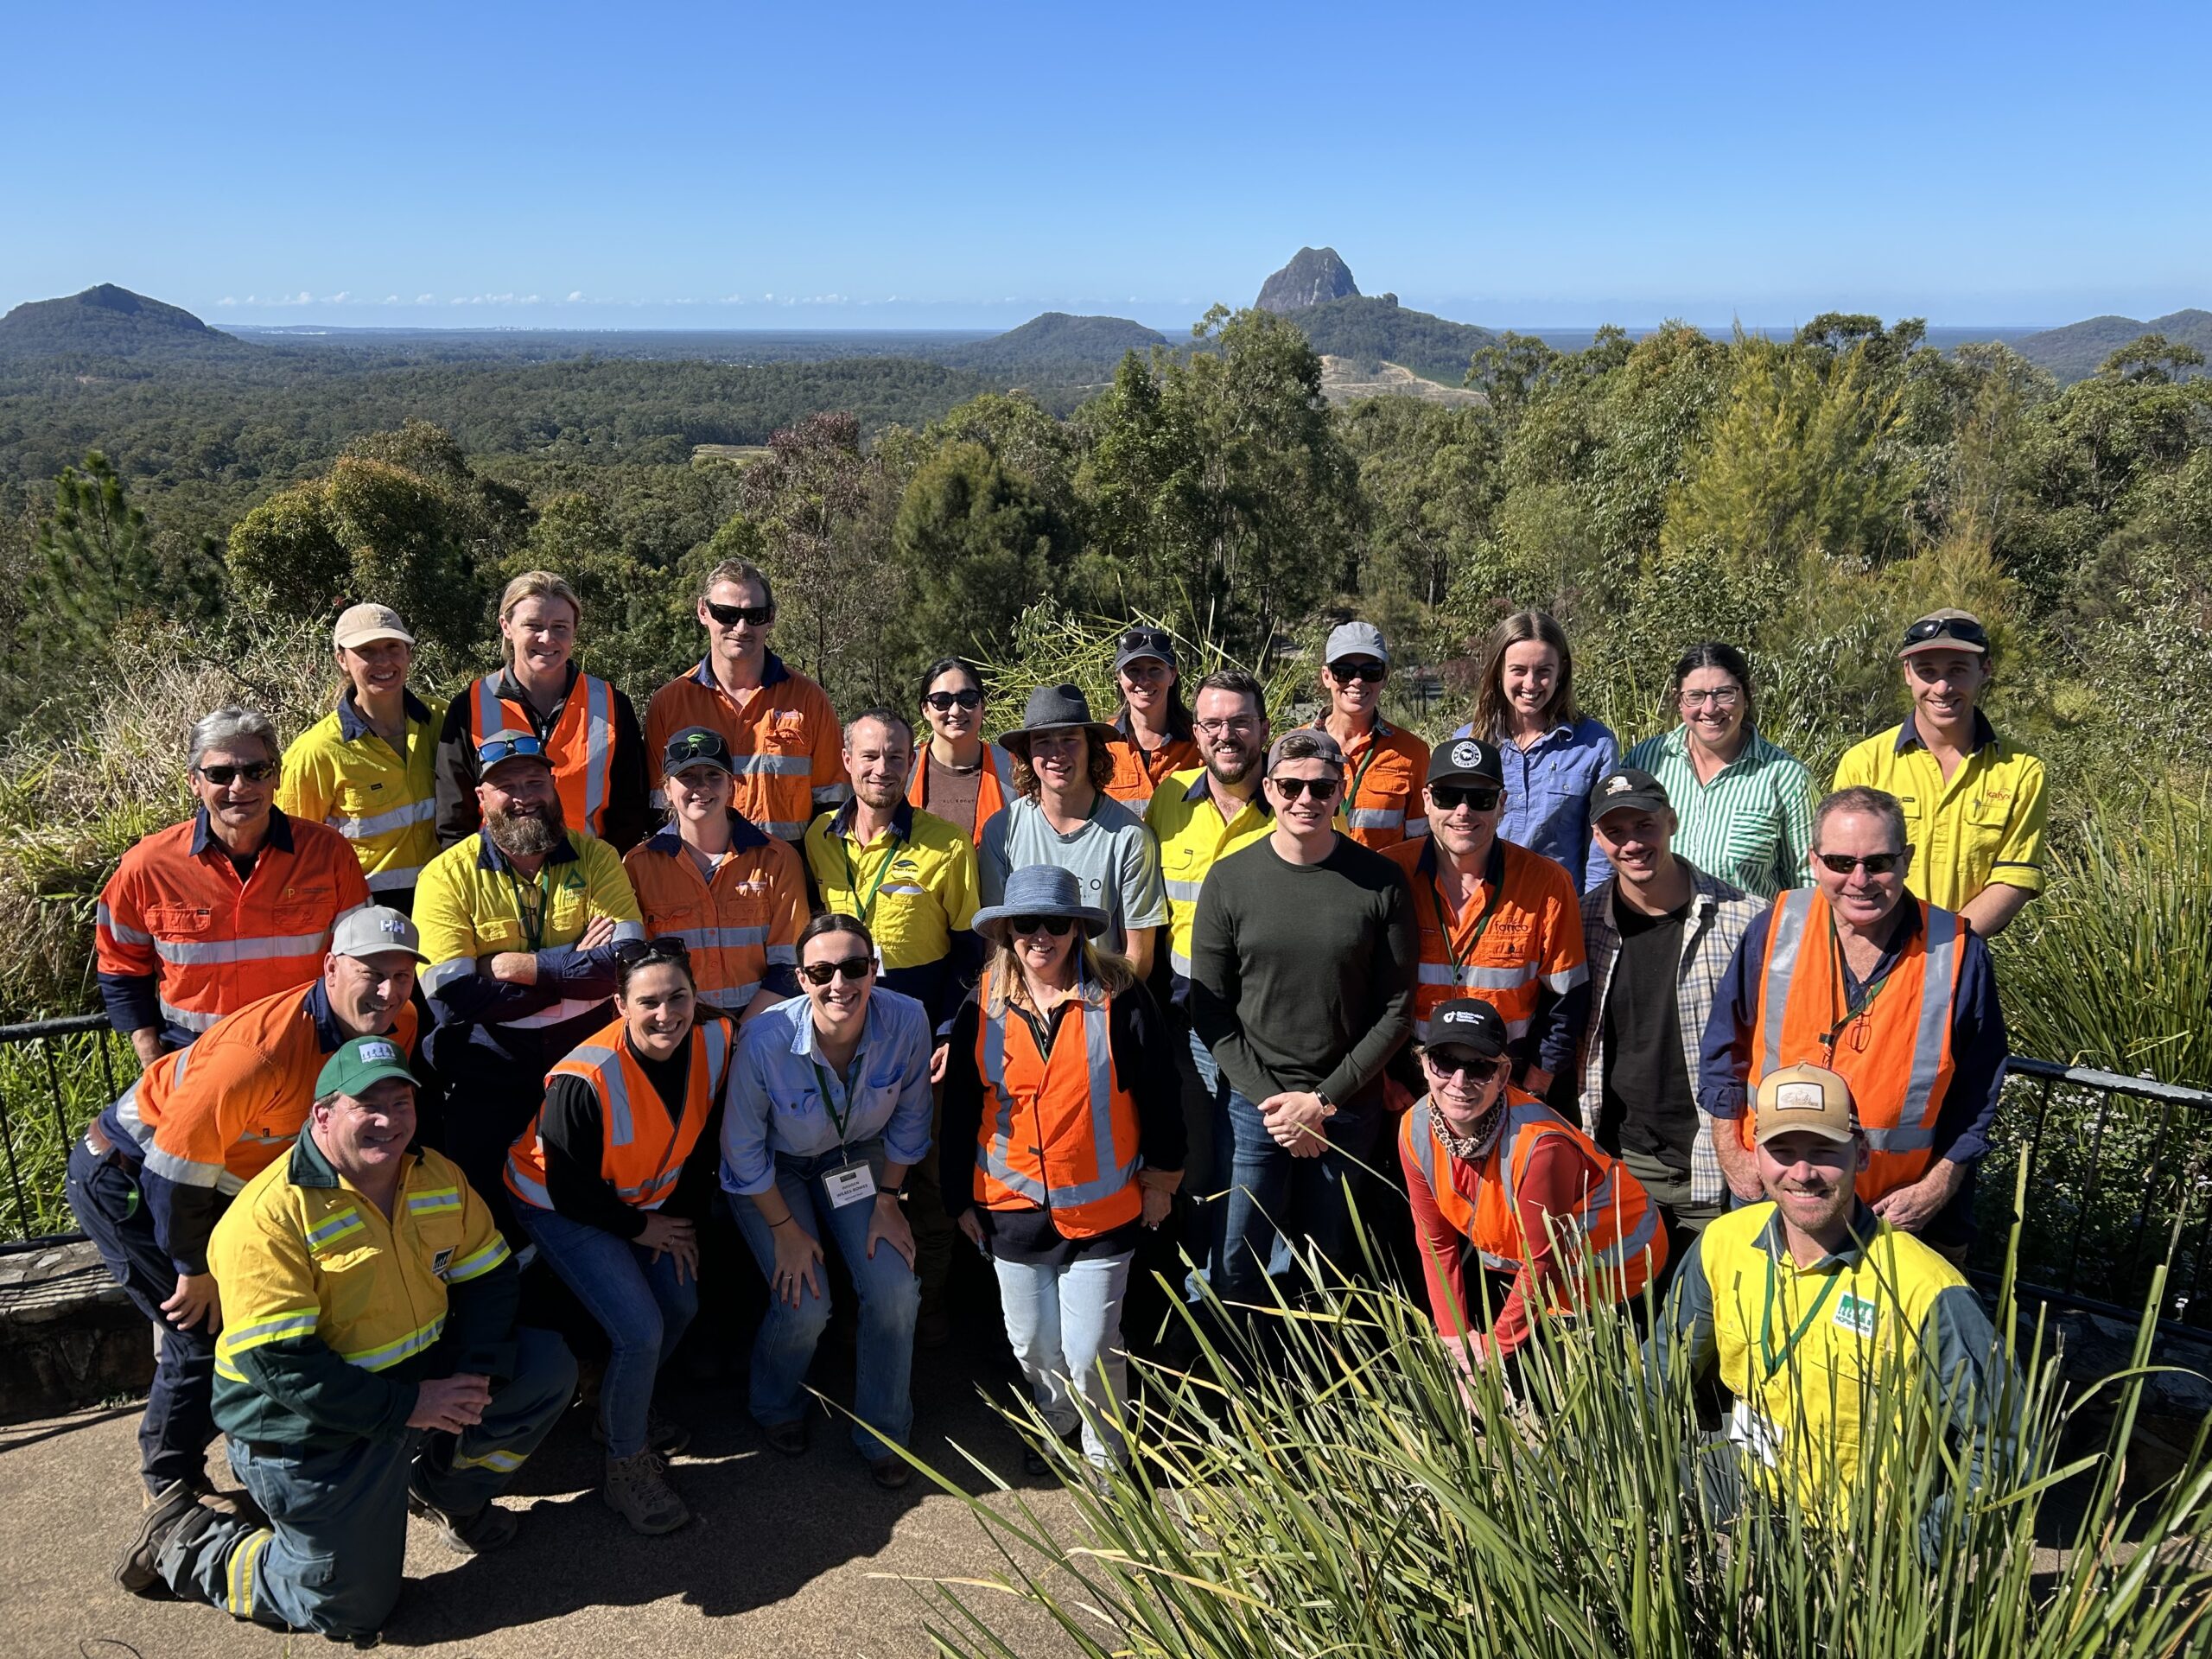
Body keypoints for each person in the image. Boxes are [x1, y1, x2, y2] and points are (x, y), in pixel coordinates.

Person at [116, 1036, 575, 1644]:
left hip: (412, 1387)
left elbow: (488, 1276)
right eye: (368, 1104)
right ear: (322, 1116)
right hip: (307, 1427)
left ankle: (443, 1494)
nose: (389, 1120)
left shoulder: (434, 1175)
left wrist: (476, 1371)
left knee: (545, 1369)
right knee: (350, 1609)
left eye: (401, 1102)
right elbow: (283, 1367)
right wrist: (413, 1406)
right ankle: (190, 1543)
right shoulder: (269, 1216)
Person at [67, 906, 424, 1517]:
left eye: (402, 975)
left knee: (283, 1317)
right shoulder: (257, 1054)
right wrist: (193, 1268)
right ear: (332, 968)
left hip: (220, 1186)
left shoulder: (396, 1024)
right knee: (202, 1335)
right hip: (132, 1182)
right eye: (372, 973)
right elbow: (171, 1176)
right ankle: (170, 1482)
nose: (389, 992)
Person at [1646, 1063, 2014, 1519]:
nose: (1802, 1172)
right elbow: (1657, 1371)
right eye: (1781, 1150)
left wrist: (1914, 1553)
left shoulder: (1928, 1290)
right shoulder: (1724, 1242)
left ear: (1860, 1154)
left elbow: (2004, 1452)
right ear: (1757, 1154)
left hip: (1852, 1541)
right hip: (1742, 1483)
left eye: (1823, 1150)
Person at [942, 866, 1185, 1471]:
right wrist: (958, 1201)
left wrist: (1163, 1180)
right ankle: (1057, 1423)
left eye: (1056, 923)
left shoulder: (1122, 997)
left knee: (1092, 1348)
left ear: (1078, 929)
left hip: (1104, 1211)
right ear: (1007, 932)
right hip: (1010, 1211)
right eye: (1027, 923)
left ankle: (1107, 1459)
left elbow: (1160, 1094)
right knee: (1033, 1348)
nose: (1041, 935)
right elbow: (962, 1111)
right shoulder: (982, 1006)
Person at [1699, 787, 2008, 1253]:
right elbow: (1725, 1048)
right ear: (1815, 861)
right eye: (1842, 863)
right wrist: (1733, 1155)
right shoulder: (1775, 927)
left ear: (1906, 859)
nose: (1860, 880)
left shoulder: (1959, 952)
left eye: (1879, 862)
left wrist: (1937, 1188)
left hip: (1896, 1213)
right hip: (1778, 1194)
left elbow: (1979, 1089)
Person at [505, 938, 733, 1535]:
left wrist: (677, 1225)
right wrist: (645, 1229)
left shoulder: (715, 1040)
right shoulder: (584, 1079)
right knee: (640, 1330)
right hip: (558, 1204)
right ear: (619, 1005)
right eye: (649, 1002)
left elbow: (696, 1144)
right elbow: (572, 1189)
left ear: (696, 996)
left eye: (678, 997)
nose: (667, 1015)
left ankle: (616, 1410)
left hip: (643, 1201)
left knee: (680, 1301)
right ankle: (625, 1466)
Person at [1190, 728, 1417, 1306]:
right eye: (1290, 786)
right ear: (1268, 788)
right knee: (1237, 1257)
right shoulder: (1231, 879)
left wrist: (1323, 1100)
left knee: (1328, 1262)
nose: (1305, 800)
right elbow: (1210, 1006)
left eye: (1320, 788)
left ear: (1340, 792)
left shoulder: (1381, 882)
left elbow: (1395, 1009)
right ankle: (1243, 1380)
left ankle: (1321, 1385)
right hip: (1254, 1108)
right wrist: (1276, 1104)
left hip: (1345, 1107)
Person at [721, 913, 931, 1488]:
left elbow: (912, 1117)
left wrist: (890, 1197)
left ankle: (885, 1432)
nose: (840, 983)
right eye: (822, 971)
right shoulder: (765, 1038)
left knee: (893, 1290)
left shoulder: (909, 1018)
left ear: (874, 970)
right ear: (802, 979)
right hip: (775, 1170)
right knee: (804, 1302)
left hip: (858, 1159)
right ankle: (775, 1405)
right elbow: (742, 1153)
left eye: (854, 967)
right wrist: (786, 1231)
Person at [804, 706, 982, 1345]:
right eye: (871, 756)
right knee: (841, 1171)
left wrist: (945, 1034)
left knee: (927, 1178)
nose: (884, 768)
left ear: (915, 762)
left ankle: (927, 1311)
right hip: (838, 1043)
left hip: (917, 1041)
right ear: (847, 761)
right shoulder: (818, 838)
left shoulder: (947, 842)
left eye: (898, 757)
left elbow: (970, 952)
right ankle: (850, 1310)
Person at [415, 734, 645, 1224]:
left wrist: (517, 966)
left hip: (584, 1058)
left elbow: (626, 960)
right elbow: (453, 998)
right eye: (506, 785)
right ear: (481, 798)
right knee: (484, 1208)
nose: (524, 795)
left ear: (554, 785)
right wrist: (575, 966)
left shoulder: (598, 857)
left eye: (535, 781)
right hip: (486, 1065)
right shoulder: (444, 877)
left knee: (584, 1193)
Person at [1399, 999, 1662, 1369]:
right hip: (1539, 1272)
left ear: (1503, 1076)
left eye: (1478, 1068)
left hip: (1610, 1274)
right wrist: (1455, 1336)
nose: (1458, 1082)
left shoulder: (1541, 1147)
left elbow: (1544, 1263)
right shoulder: (1414, 1129)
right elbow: (1434, 1241)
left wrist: (1493, 1351)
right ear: (1425, 1065)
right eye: (1444, 1062)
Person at [98, 707, 370, 1063]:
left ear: (277, 776)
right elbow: (121, 968)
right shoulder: (146, 865)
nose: (239, 786)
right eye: (221, 774)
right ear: (195, 781)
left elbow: (360, 958)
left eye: (256, 771)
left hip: (302, 1054)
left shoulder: (329, 853)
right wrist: (152, 1060)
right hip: (192, 1059)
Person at [1578, 766, 1764, 1271]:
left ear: (1672, 821)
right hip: (1620, 1164)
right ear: (1597, 839)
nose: (1632, 843)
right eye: (1615, 832)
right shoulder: (1583, 922)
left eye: (1645, 826)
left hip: (1714, 1168)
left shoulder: (1746, 921)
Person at [1384, 738, 1586, 1107]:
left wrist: (1535, 1086)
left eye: (1480, 799)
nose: (1463, 811)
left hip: (1505, 1075)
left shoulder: (1548, 883)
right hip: (1410, 1080)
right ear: (1427, 800)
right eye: (1448, 796)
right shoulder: (1388, 873)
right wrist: (1386, 1083)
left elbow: (1566, 998)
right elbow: (1363, 992)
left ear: (1502, 805)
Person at [1832, 609, 2047, 938]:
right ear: (1908, 673)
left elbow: (2014, 878)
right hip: (1872, 952)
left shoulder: (2022, 770)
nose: (1942, 687)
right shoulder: (1864, 763)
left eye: (1958, 670)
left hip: (1967, 951)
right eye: (1927, 671)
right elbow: (1844, 871)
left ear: (1984, 669)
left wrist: (1944, 947)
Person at [434, 569, 649, 852]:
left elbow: (631, 809)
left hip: (588, 877)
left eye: (560, 626)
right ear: (506, 627)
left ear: (574, 629)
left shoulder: (611, 704)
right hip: (497, 882)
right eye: (533, 625)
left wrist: (601, 871)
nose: (547, 639)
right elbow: (454, 817)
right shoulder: (470, 706)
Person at [643, 558, 847, 842]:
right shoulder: (669, 703)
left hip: (785, 874)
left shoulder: (810, 700)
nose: (741, 627)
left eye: (755, 616)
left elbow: (832, 805)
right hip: (697, 875)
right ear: (703, 611)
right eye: (726, 614)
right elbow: (658, 808)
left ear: (771, 617)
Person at [979, 684, 1167, 978]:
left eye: (1069, 739)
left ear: (1091, 746)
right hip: (1025, 1002)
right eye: (1042, 741)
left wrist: (1093, 1005)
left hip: (1103, 1000)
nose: (1057, 753)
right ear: (1027, 753)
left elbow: (1138, 958)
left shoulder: (1130, 837)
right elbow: (997, 944)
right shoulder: (1001, 830)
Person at [625, 726, 805, 1022]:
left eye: (713, 776)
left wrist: (742, 1032)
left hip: (764, 1025)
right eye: (687, 777)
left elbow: (789, 965)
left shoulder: (778, 859)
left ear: (732, 786)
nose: (702, 787)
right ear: (667, 789)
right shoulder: (637, 865)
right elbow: (639, 970)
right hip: (676, 1028)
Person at [278, 603, 446, 913]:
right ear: (342, 659)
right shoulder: (315, 752)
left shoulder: (444, 720)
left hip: (447, 898)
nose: (383, 661)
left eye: (393, 647)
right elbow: (293, 852)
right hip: (366, 910)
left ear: (408, 652)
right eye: (366, 651)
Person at [1621, 643, 1815, 902]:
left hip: (1749, 938)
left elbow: (1808, 882)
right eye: (1695, 696)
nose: (1710, 708)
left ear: (1746, 695)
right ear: (1679, 701)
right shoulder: (1646, 760)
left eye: (1724, 693)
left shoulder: (1787, 778)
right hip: (1658, 932)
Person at [1451, 610, 1618, 893]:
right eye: (1518, 670)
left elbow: (1602, 846)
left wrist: (1588, 913)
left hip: (1559, 910)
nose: (1530, 684)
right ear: (1498, 669)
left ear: (1561, 671)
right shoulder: (1469, 743)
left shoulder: (1595, 744)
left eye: (1543, 671)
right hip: (1484, 909)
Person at [1306, 620, 1430, 851]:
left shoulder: (1413, 752)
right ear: (1326, 676)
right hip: (1312, 884)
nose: (1357, 681)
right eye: (1343, 671)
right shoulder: (1295, 746)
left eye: (1370, 672)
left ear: (1384, 677)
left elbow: (1419, 844)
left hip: (1382, 885)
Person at [908, 656, 1016, 843]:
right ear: (925, 709)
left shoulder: (1013, 768)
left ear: (983, 706)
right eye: (942, 700)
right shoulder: (904, 767)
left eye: (968, 699)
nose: (956, 710)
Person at [1101, 626, 1200, 805]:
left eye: (1155, 669)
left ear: (1172, 674)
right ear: (1119, 677)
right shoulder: (1101, 743)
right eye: (1133, 670)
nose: (1144, 681)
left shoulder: (1200, 742)